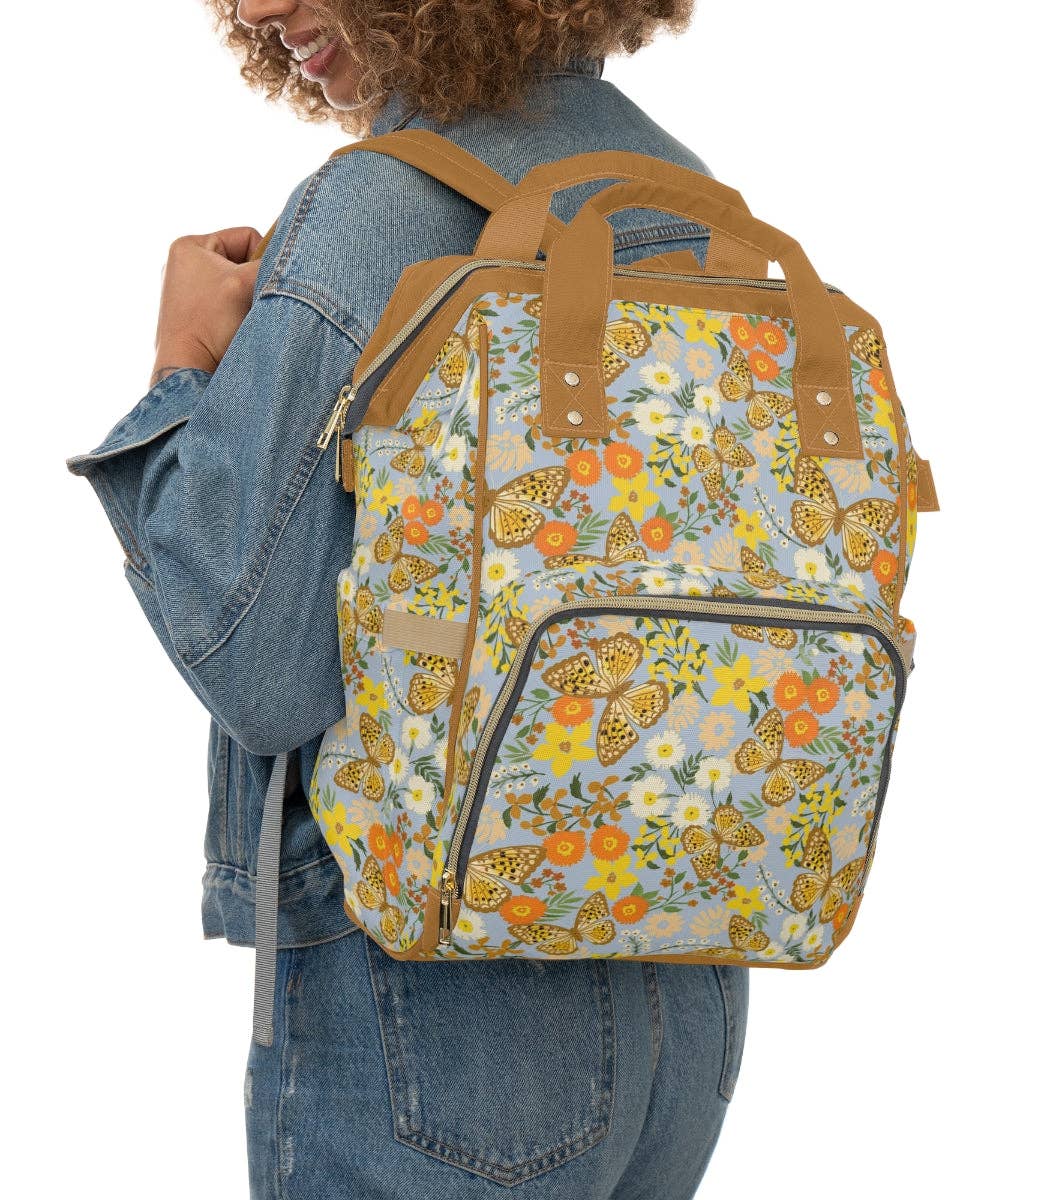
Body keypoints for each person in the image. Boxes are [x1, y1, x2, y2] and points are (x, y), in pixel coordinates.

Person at [65, 2, 750, 1198]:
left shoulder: (374, 212)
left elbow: (257, 669)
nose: (257, 8)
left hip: (437, 1010)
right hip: (681, 970)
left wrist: (182, 369)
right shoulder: (681, 191)